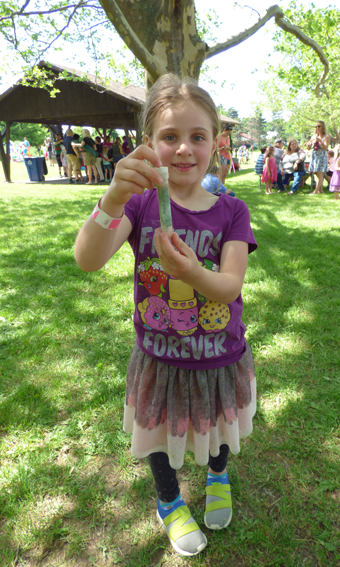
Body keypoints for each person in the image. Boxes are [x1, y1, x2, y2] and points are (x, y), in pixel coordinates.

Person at [74, 73, 257, 557]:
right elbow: (88, 259)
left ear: (215, 143)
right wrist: (113, 197)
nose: (183, 149)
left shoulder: (232, 211)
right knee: (158, 435)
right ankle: (170, 500)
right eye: (170, 136)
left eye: (197, 136)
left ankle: (217, 475)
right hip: (160, 357)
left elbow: (230, 286)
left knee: (219, 426)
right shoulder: (139, 205)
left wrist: (193, 273)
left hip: (219, 355)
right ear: (149, 144)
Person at [306, 121, 330, 194]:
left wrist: (321, 142)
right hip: (315, 156)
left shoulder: (326, 136)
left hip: (321, 157)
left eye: (319, 126)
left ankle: (315, 191)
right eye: (316, 126)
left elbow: (325, 148)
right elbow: (309, 147)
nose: (317, 128)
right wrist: (308, 145)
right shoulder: (314, 136)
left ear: (323, 127)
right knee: (316, 173)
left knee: (319, 174)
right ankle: (321, 190)